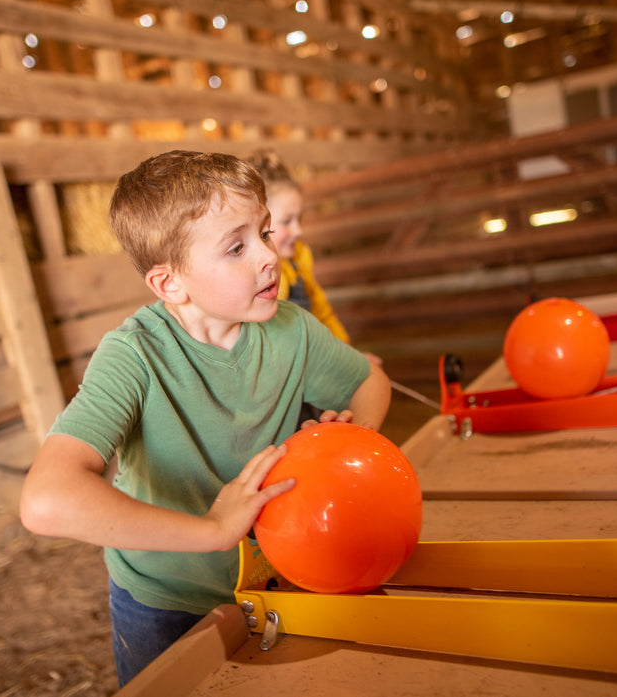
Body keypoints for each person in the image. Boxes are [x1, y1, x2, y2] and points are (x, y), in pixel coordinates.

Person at [19, 151, 391, 688]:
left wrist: (349, 434)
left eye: (264, 233)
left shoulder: (293, 330)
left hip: (282, 577)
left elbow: (369, 382)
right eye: (237, 247)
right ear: (170, 284)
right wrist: (214, 530)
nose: (269, 256)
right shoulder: (134, 356)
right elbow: (46, 500)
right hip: (167, 599)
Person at [248, 150, 356, 345]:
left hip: (316, 355)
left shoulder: (299, 260)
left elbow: (322, 312)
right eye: (287, 221)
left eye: (300, 219)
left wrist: (347, 353)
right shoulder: (255, 275)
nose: (298, 230)